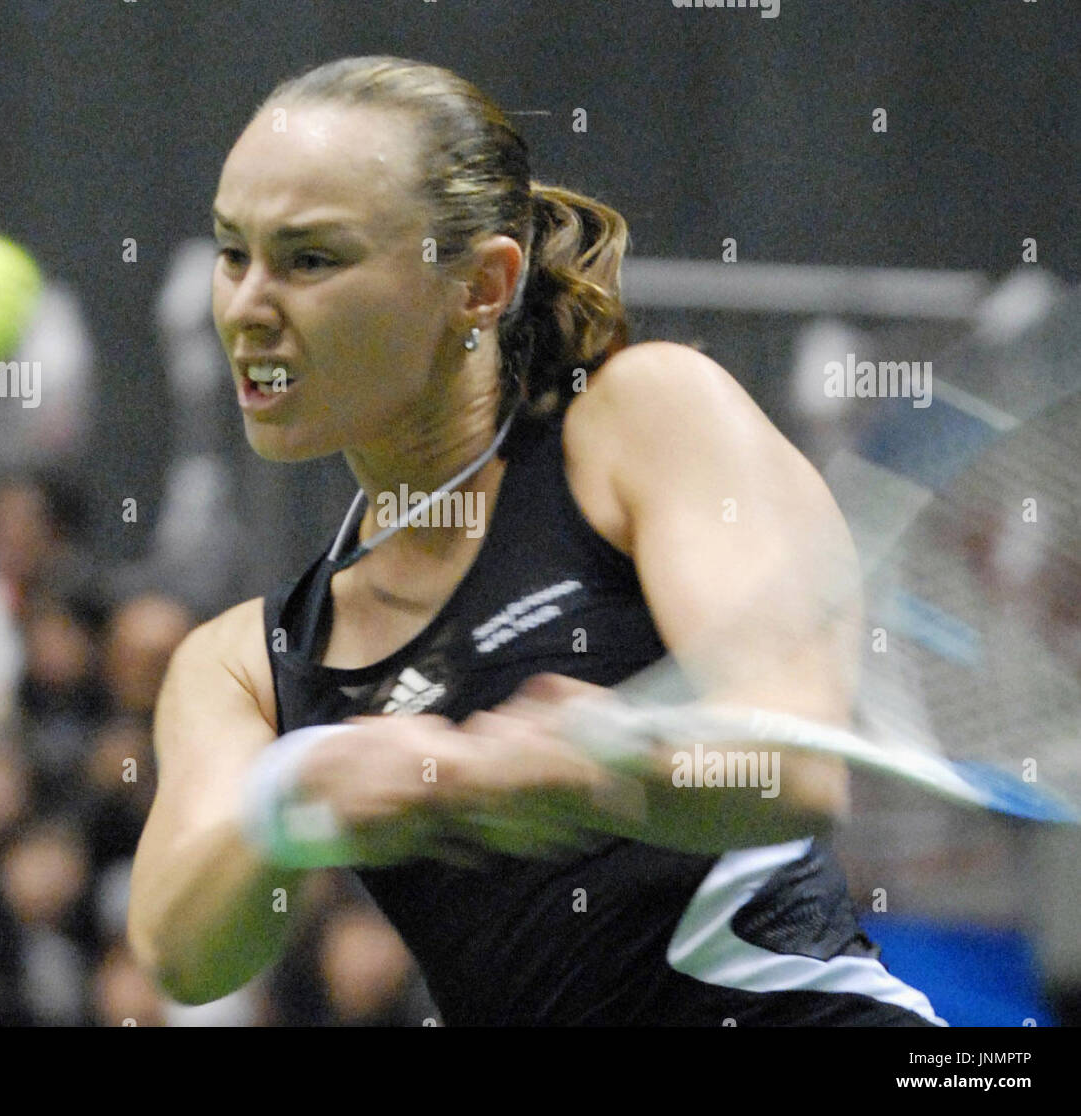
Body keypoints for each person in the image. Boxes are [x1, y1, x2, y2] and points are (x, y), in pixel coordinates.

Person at [127, 55, 945, 1026]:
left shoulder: (644, 419)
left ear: (479, 284)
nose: (247, 306)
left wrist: (587, 767)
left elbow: (789, 766)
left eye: (310, 258)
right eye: (233, 252)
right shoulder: (245, 667)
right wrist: (295, 792)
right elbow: (182, 953)